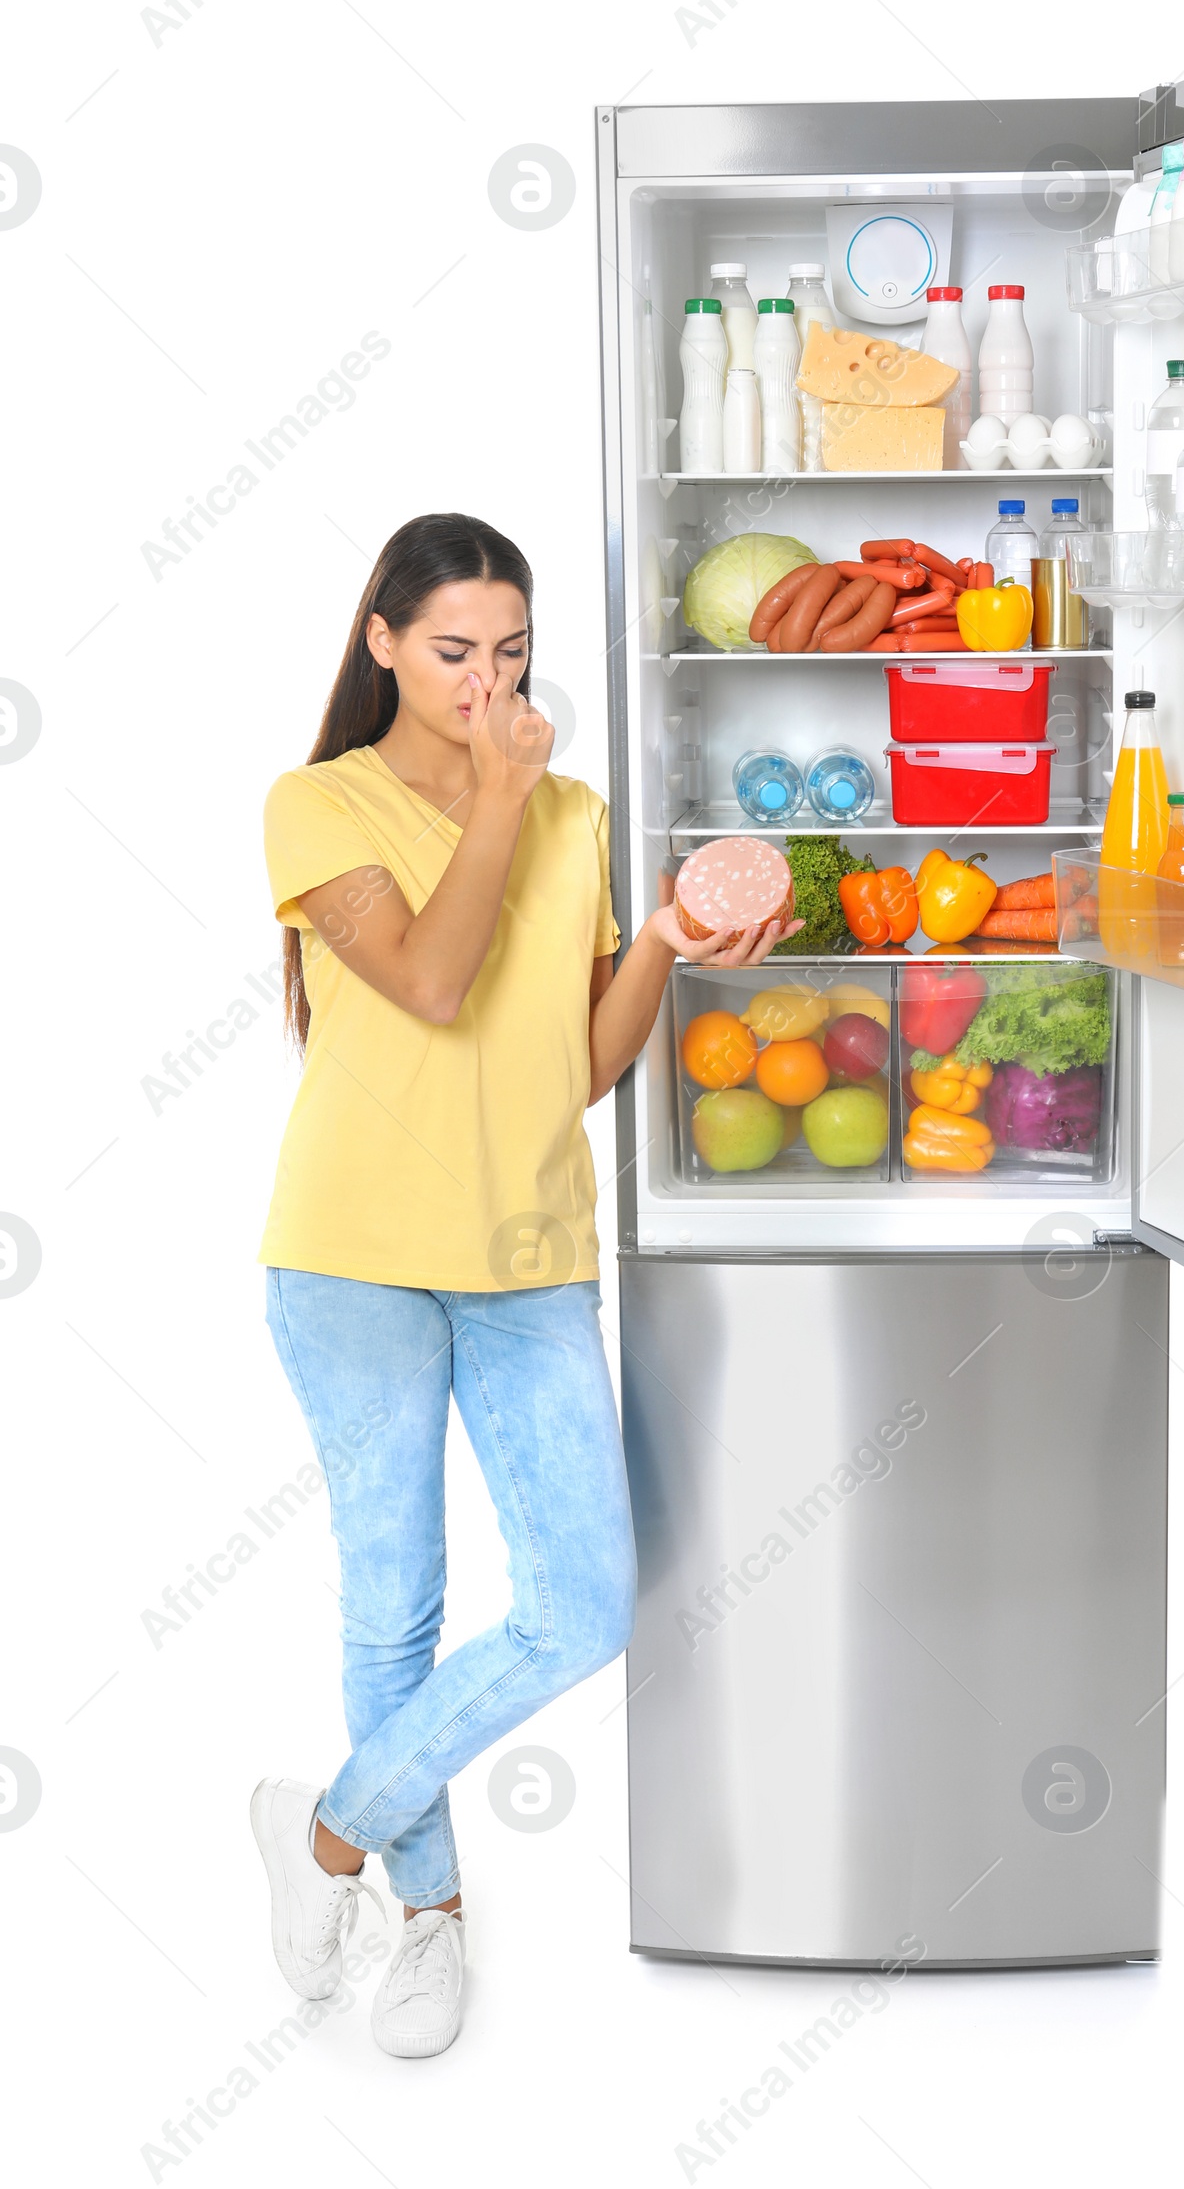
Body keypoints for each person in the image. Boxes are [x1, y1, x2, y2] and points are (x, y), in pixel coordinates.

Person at [249, 513, 796, 2057]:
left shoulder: (576, 814)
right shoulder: (315, 805)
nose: (488, 683)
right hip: (352, 1258)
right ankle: (429, 1923)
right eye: (451, 654)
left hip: (525, 1259)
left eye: (511, 654)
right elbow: (427, 980)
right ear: (382, 645)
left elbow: (581, 1068)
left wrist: (676, 940)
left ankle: (330, 1834)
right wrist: (497, 796)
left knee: (579, 1604)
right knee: (396, 1609)